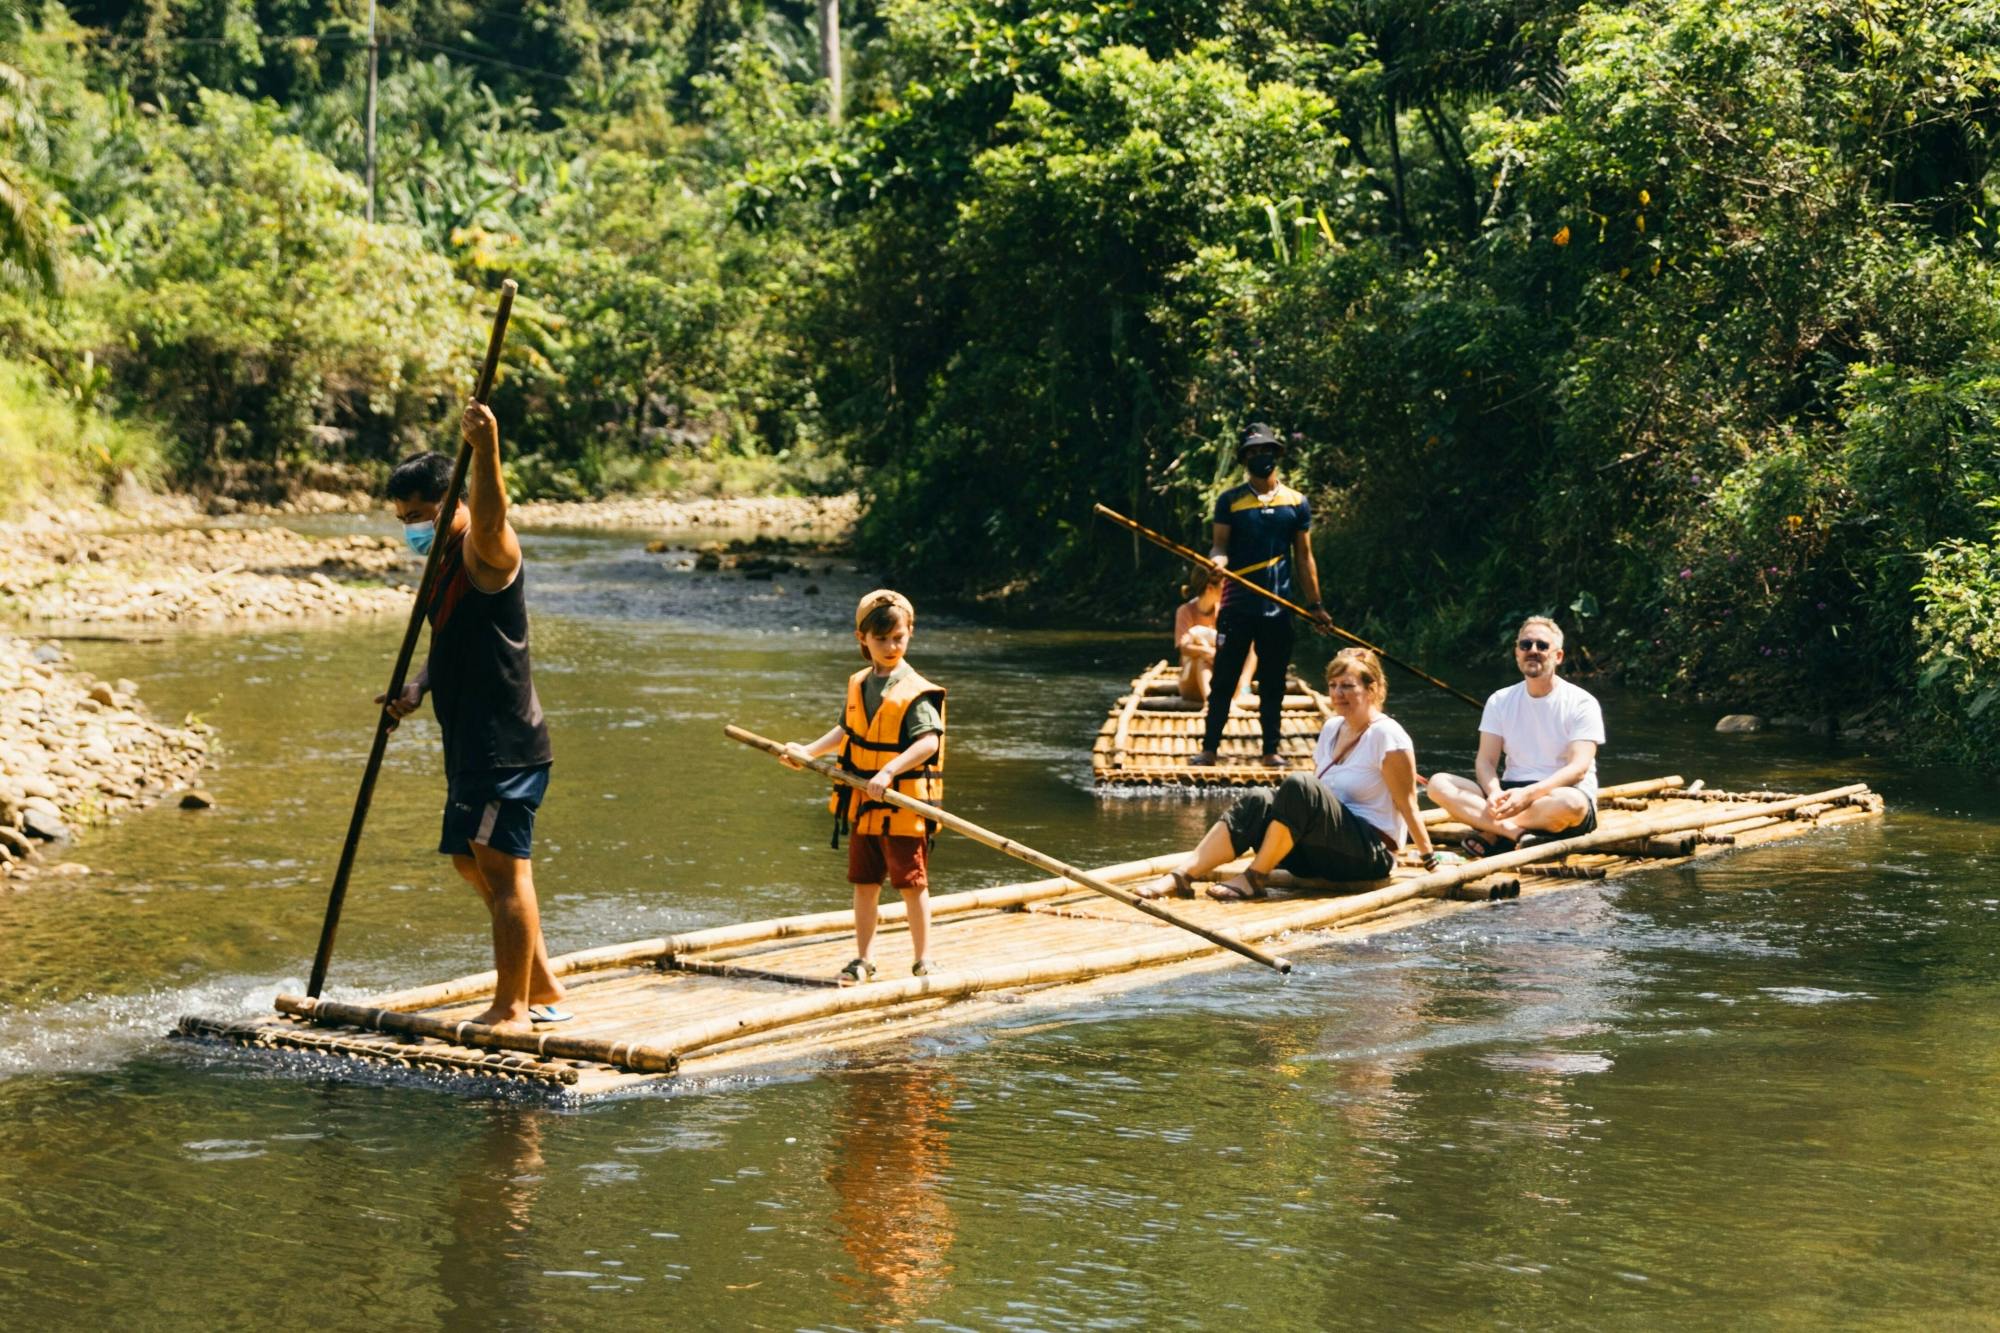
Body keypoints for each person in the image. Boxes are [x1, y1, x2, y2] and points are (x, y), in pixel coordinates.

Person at [378, 401, 564, 1030]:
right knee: (469, 858)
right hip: (468, 740)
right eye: (404, 520)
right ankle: (540, 982)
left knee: (503, 868)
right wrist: (418, 686)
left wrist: (486, 449)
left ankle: (513, 1007)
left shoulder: (486, 551)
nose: (413, 530)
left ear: (453, 501)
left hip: (503, 742)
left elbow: (491, 515)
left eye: (422, 516)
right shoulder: (439, 569)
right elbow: (450, 641)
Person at [1139, 648, 1448, 901]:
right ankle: (1181, 876)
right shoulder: (1330, 729)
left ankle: (1254, 877)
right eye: (1333, 685)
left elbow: (1408, 805)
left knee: (1300, 784)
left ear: (1373, 689)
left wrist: (1430, 861)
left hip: (1368, 856)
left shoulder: (1387, 735)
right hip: (1322, 851)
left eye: (1348, 686)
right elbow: (1315, 802)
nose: (1338, 693)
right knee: (1258, 798)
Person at [783, 590, 946, 984]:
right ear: (862, 638)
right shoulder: (860, 683)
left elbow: (929, 743)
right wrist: (808, 752)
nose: (891, 647)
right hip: (865, 804)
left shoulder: (914, 690)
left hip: (902, 805)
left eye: (898, 638)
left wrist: (889, 771)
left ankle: (924, 959)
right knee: (864, 883)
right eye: (882, 639)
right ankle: (863, 959)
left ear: (910, 634)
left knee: (912, 884)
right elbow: (848, 731)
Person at [1192, 423, 1333, 767]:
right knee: (1224, 678)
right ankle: (1210, 748)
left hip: (1278, 608)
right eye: (1253, 452)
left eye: (1266, 450)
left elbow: (1303, 557)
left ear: (1276, 454)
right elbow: (1219, 547)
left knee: (1273, 682)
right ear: (1244, 459)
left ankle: (1271, 749)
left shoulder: (1296, 503)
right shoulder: (1230, 502)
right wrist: (1217, 564)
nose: (1260, 457)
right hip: (1237, 607)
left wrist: (1315, 605)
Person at [1426, 615, 1606, 856]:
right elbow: (1486, 761)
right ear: (1517, 653)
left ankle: (1491, 831)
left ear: (1558, 656)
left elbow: (1578, 769)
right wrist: (1494, 793)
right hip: (1509, 795)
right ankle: (1514, 833)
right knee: (1438, 784)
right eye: (1525, 645)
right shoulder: (1499, 700)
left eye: (1542, 646)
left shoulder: (1582, 702)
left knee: (1570, 804)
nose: (1532, 651)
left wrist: (1529, 794)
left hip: (1559, 794)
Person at [1173, 566, 1255, 705]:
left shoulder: (1223, 611)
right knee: (1201, 656)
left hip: (1219, 676)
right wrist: (1206, 651)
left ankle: (1242, 687)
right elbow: (1183, 648)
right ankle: (1210, 703)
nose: (1227, 589)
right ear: (1210, 588)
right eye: (1224, 585)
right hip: (1192, 685)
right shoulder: (1185, 611)